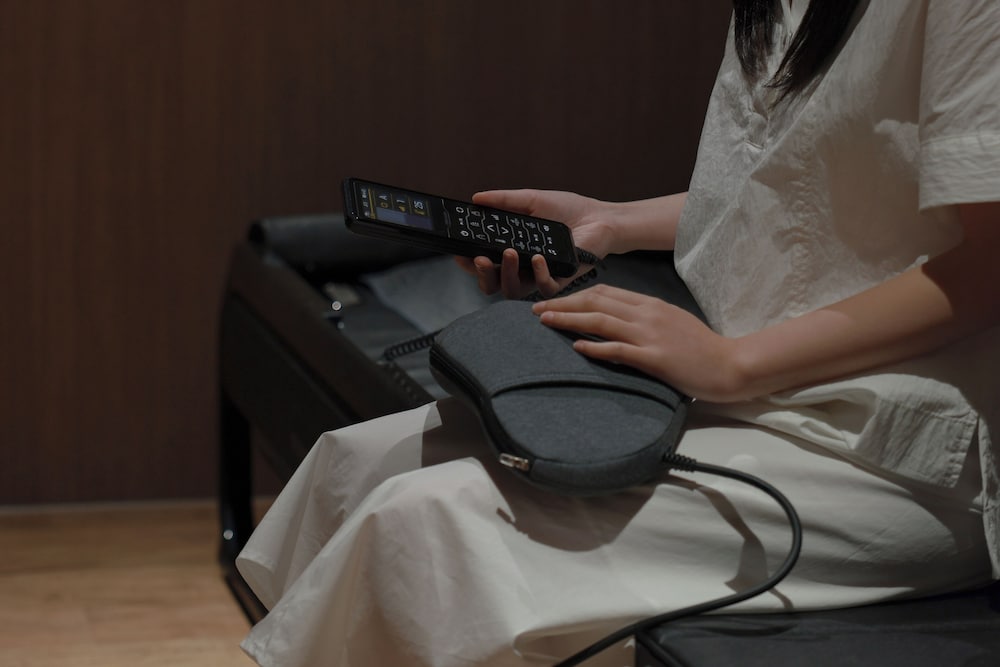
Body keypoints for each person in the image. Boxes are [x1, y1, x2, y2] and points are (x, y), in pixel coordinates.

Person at [236, 1, 1000, 665]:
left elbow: (988, 266)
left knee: (424, 525)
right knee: (358, 461)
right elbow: (796, 188)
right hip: (746, 387)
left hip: (893, 443)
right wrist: (614, 223)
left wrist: (735, 362)